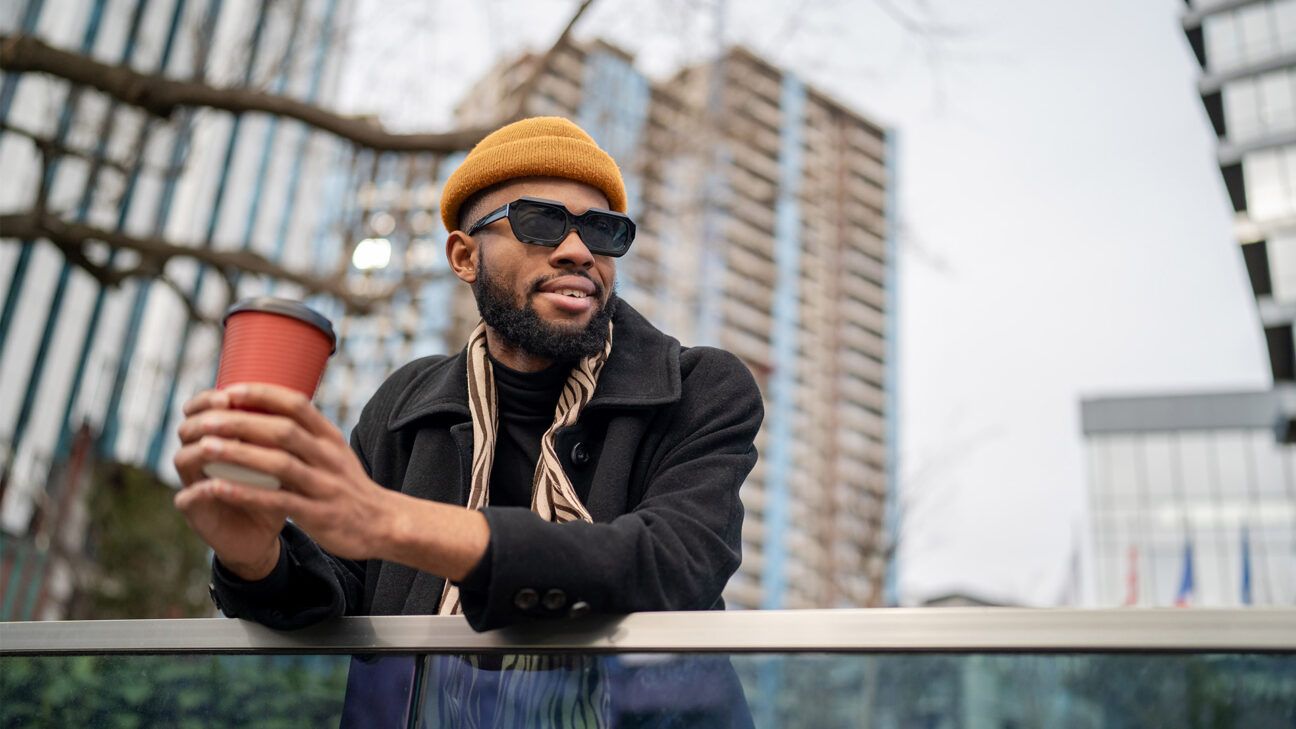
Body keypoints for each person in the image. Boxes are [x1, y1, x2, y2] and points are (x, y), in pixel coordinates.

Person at [173, 116, 764, 633]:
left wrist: (390, 521)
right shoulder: (405, 403)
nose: (579, 251)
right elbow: (335, 594)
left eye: (603, 231)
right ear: (464, 256)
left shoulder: (700, 389)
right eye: (541, 222)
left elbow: (675, 566)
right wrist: (254, 557)